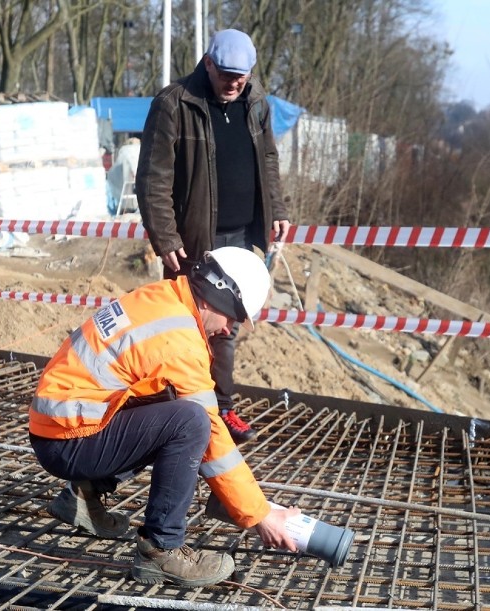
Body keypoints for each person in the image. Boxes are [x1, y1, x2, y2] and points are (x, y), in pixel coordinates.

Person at [29, 247, 299, 588]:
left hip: (62, 426)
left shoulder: (165, 296)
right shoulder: (180, 340)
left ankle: (83, 494)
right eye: (233, 317)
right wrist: (260, 515)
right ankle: (161, 550)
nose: (229, 329)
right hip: (68, 441)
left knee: (168, 402)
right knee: (191, 421)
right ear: (219, 296)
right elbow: (212, 436)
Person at [136, 28, 291, 443]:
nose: (234, 83)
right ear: (208, 63)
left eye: (241, 76)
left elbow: (269, 160)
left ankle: (220, 411)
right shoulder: (174, 104)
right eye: (226, 74)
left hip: (241, 239)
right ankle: (174, 412)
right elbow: (153, 179)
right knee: (186, 329)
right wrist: (165, 238)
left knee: (225, 328)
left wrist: (276, 209)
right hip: (196, 240)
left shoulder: (256, 102)